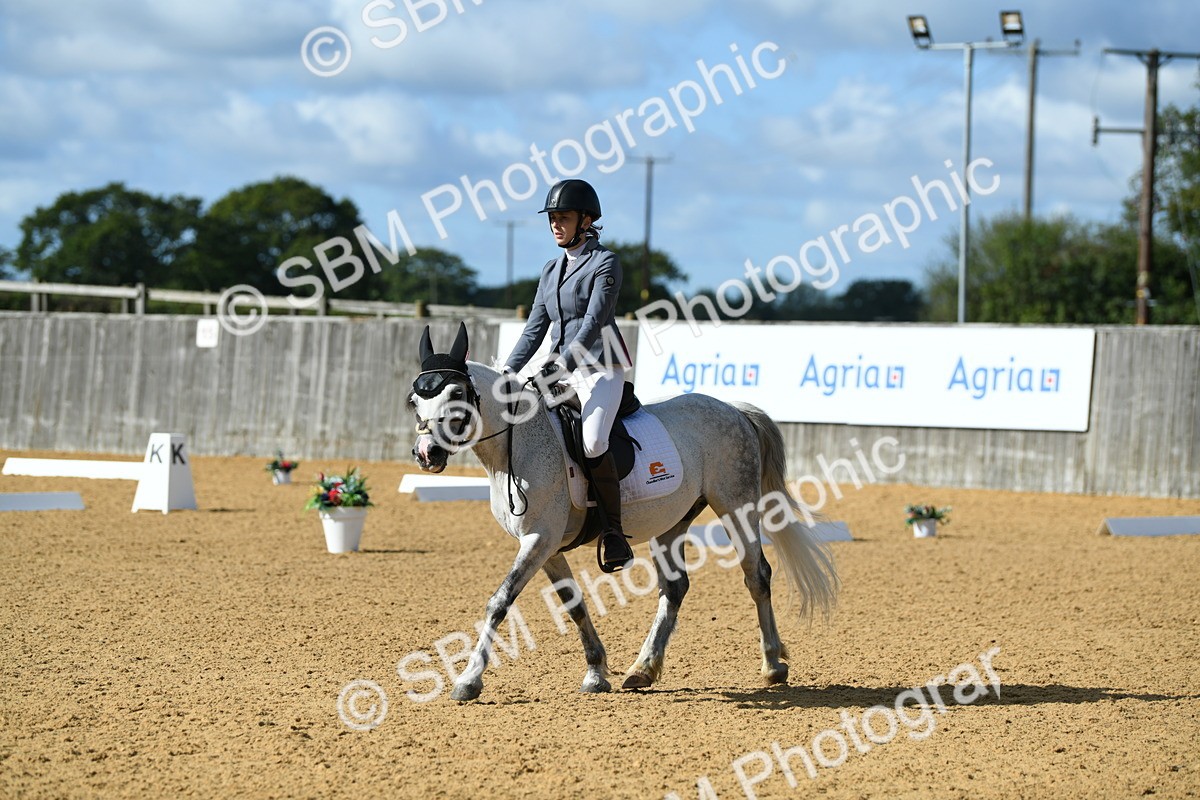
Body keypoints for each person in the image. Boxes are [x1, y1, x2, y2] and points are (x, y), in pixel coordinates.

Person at [503, 179, 634, 573]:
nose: (555, 224)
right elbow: (534, 328)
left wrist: (563, 364)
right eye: (552, 218)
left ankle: (613, 532)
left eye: (563, 217)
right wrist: (508, 370)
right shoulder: (550, 270)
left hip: (600, 368)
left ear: (586, 220)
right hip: (557, 370)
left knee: (593, 442)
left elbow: (593, 322)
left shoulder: (606, 262)